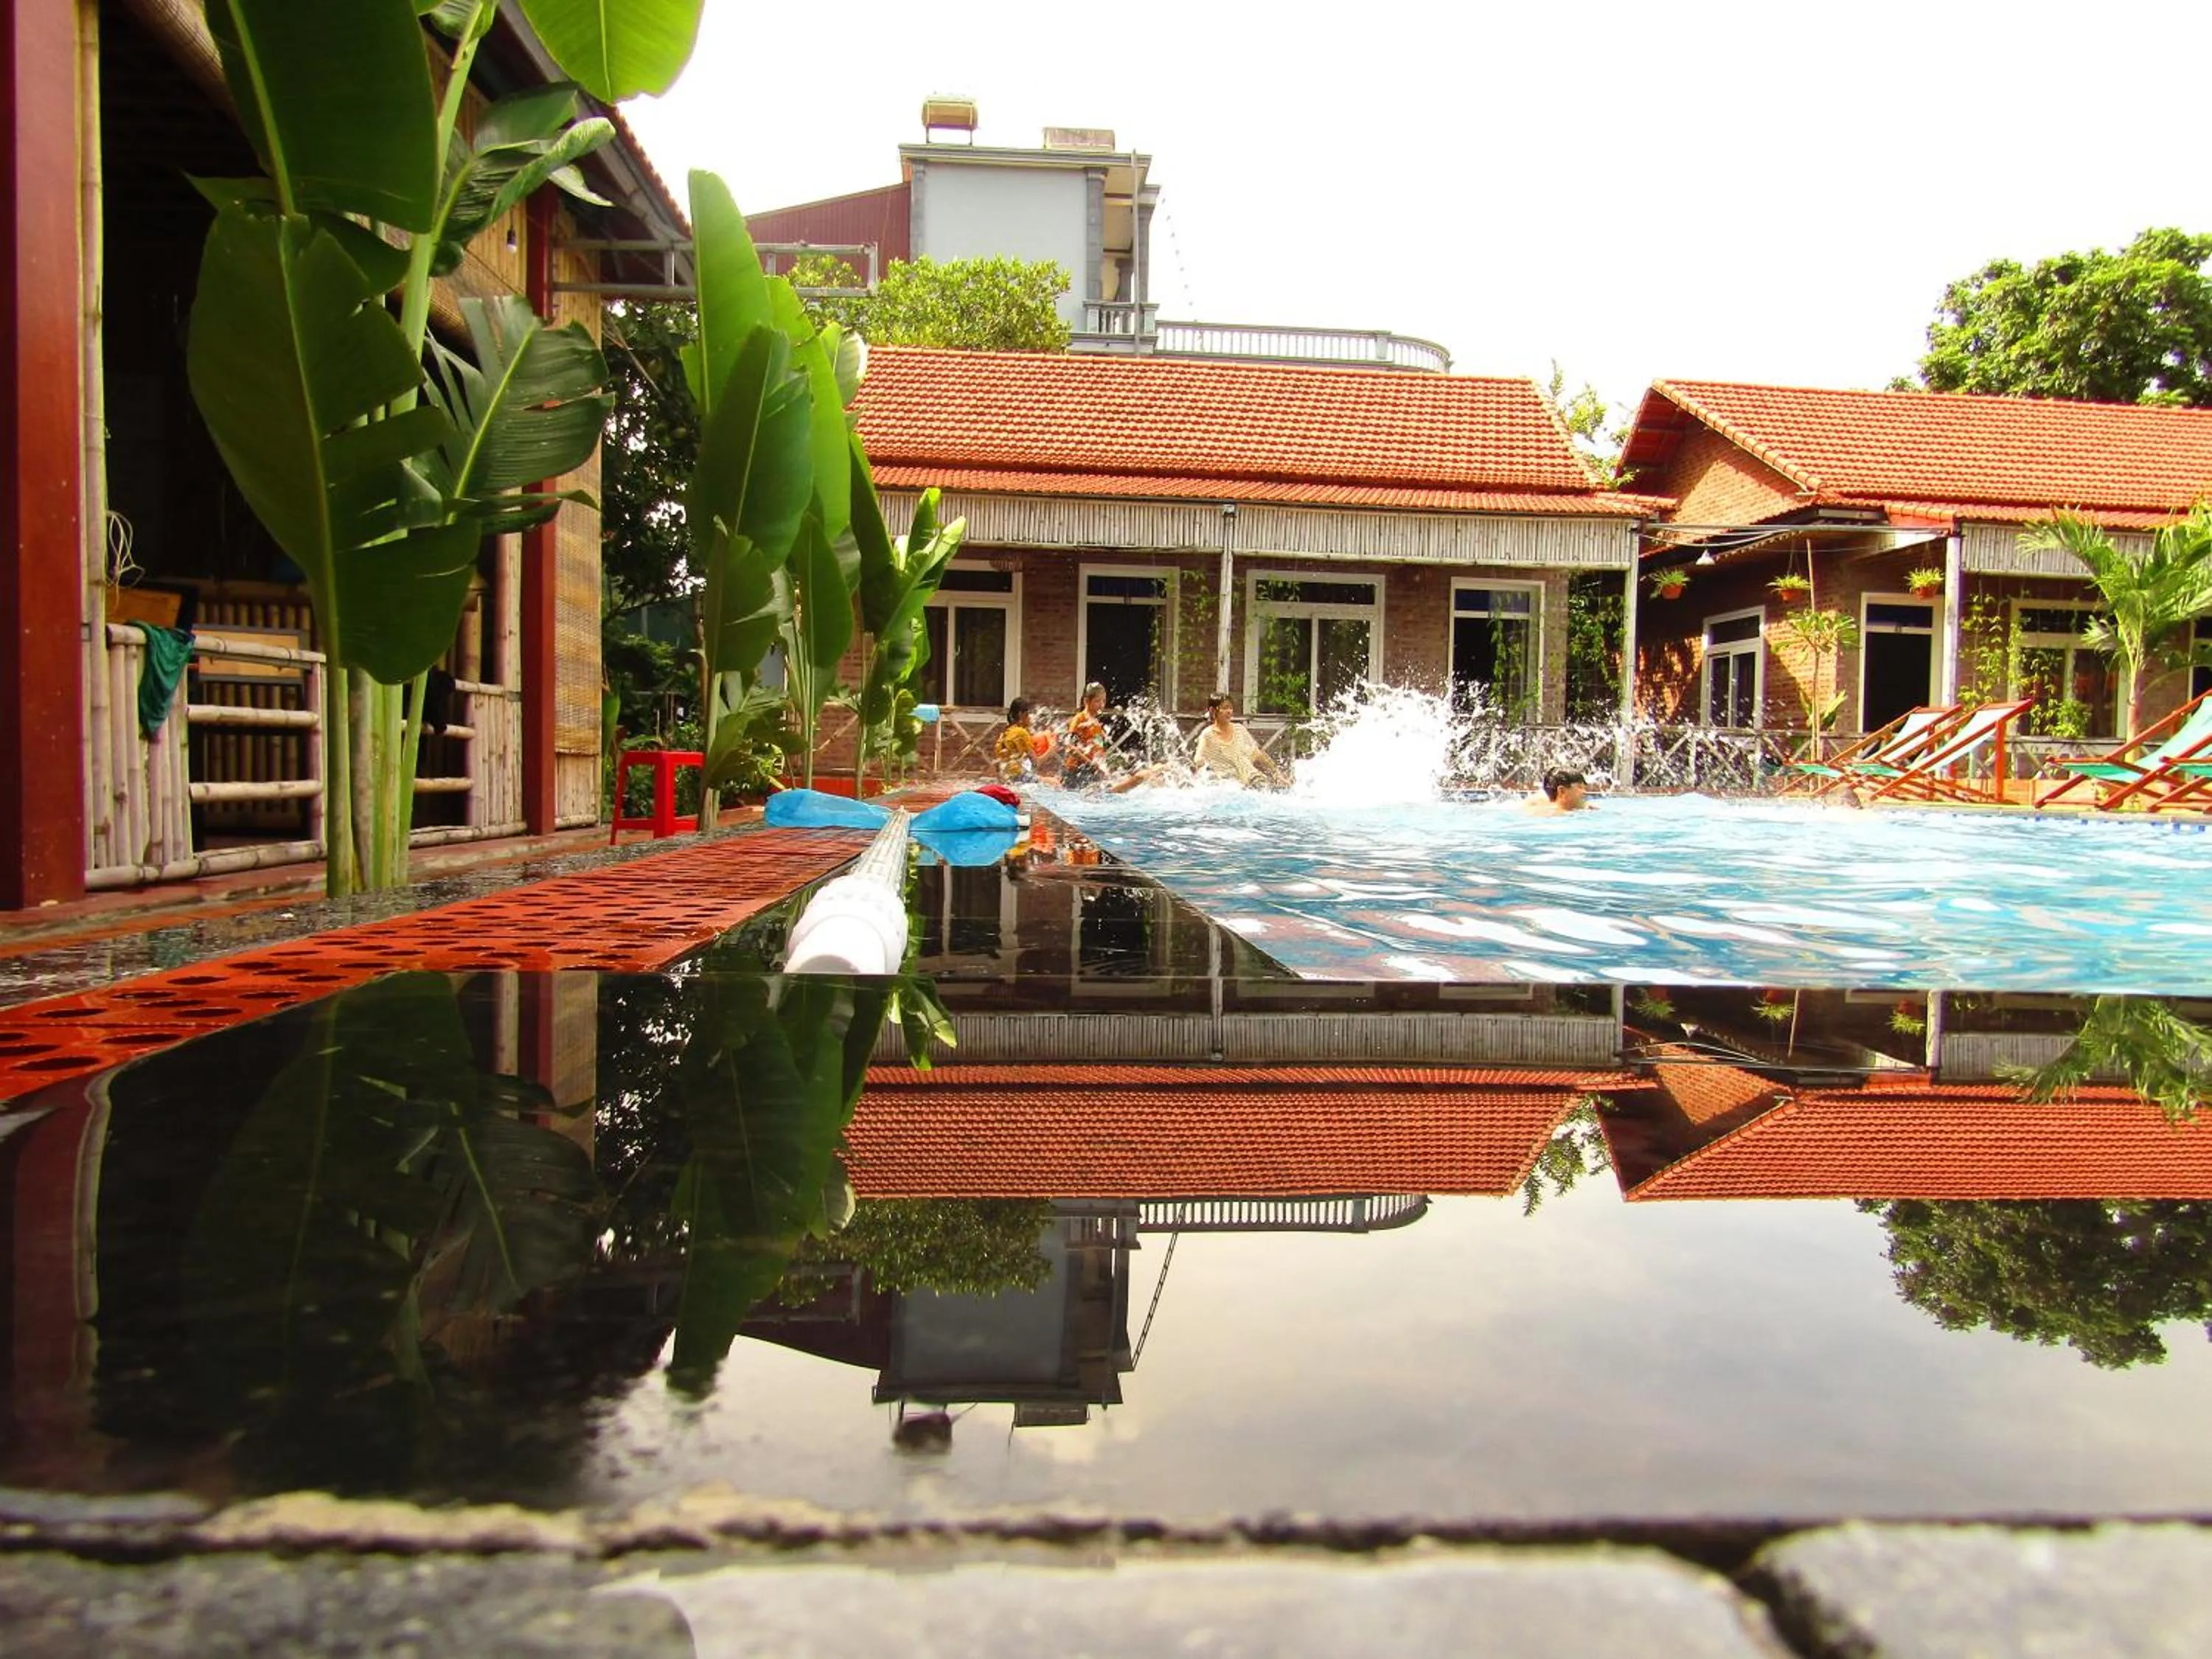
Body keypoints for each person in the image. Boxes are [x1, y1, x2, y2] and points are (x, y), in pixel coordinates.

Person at [1062, 682, 1167, 793]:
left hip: (1092, 771)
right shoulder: (1079, 719)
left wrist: (1104, 767)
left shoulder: (1096, 723)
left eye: (1104, 701)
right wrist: (1091, 764)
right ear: (1086, 701)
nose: (1101, 705)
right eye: (1097, 701)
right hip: (1076, 772)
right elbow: (1070, 747)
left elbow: (1098, 750)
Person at [1192, 694, 1287, 787]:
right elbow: (1199, 758)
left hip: (1251, 778)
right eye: (1225, 708)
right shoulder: (1208, 734)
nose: (1229, 711)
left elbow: (1258, 754)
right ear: (1212, 711)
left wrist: (1277, 773)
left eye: (1230, 708)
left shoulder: (1240, 730)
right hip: (1228, 784)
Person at [995, 698, 1051, 782]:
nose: (1030, 718)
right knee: (1055, 783)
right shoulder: (1021, 733)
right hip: (1018, 777)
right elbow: (1036, 763)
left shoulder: (1004, 733)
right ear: (1021, 714)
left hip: (1006, 778)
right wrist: (1052, 749)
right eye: (1027, 715)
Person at [1523, 766, 1593, 814]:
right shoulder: (1552, 815)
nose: (1584, 792)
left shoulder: (1585, 807)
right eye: (1580, 787)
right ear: (1562, 791)